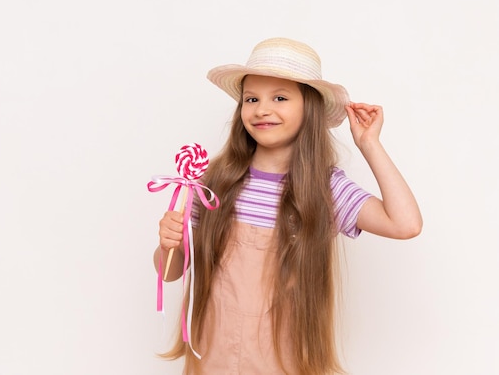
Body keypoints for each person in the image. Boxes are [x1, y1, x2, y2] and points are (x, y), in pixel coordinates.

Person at [153, 37, 422, 375]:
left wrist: (370, 145)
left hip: (283, 361)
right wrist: (169, 244)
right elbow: (172, 271)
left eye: (279, 97)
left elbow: (405, 223)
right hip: (213, 356)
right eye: (251, 99)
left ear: (309, 108)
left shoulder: (325, 189)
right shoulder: (213, 183)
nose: (262, 109)